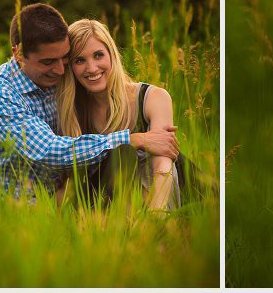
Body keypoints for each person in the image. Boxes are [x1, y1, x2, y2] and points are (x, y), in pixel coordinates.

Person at [0, 3, 179, 200]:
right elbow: (49, 151)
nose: (61, 70)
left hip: (60, 202)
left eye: (64, 59)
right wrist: (134, 139)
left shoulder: (55, 80)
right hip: (13, 211)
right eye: (48, 62)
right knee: (125, 152)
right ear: (19, 54)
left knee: (175, 166)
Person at [56, 19, 180, 211]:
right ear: (70, 67)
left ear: (112, 55)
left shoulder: (152, 98)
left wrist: (156, 218)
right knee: (122, 154)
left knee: (184, 167)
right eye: (80, 60)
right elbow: (66, 183)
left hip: (153, 199)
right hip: (101, 209)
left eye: (98, 55)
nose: (92, 68)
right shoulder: (70, 111)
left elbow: (163, 164)